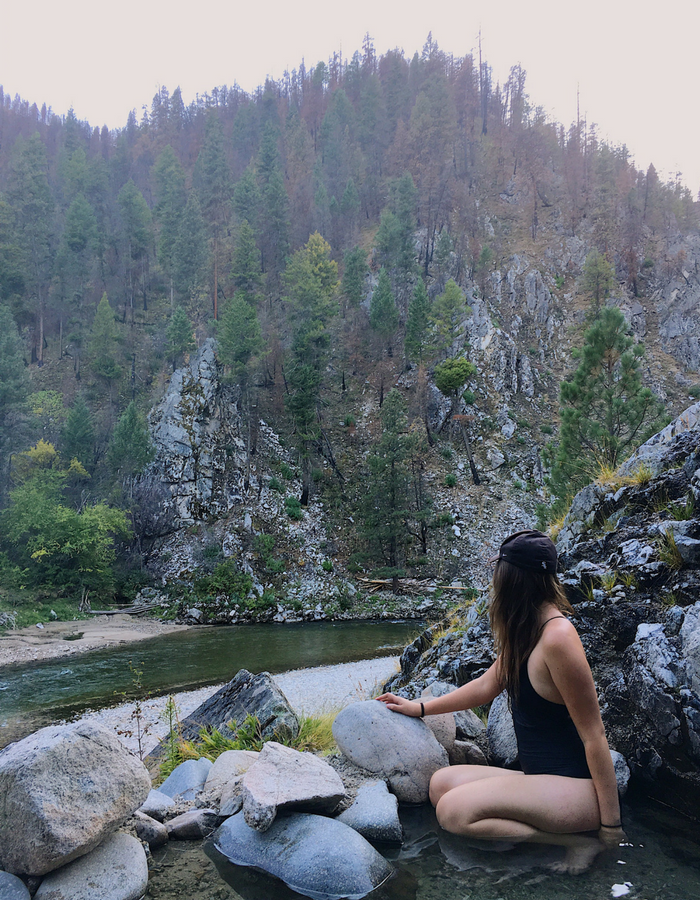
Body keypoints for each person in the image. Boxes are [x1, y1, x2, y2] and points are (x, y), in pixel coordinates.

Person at [377, 529, 625, 874]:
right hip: (540, 781)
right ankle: (552, 832)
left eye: (499, 575)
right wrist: (418, 707)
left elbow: (594, 735)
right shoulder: (525, 629)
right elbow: (484, 686)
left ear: (514, 580)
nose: (494, 584)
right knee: (440, 785)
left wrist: (611, 827)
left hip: (576, 791)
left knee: (453, 812)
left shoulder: (558, 638)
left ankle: (576, 842)